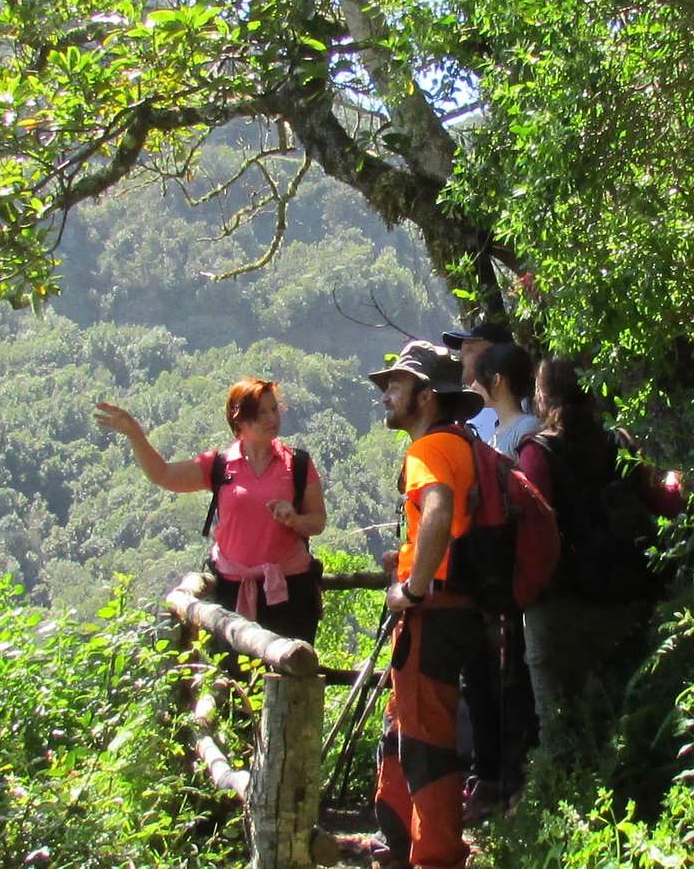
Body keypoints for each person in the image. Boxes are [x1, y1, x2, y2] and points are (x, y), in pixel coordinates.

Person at [346, 341, 485, 869]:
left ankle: (436, 857)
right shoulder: (463, 444)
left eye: (397, 386)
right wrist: (408, 563)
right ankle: (398, 844)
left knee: (425, 739)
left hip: (435, 611)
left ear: (426, 397)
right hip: (457, 608)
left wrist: (413, 587)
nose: (387, 396)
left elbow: (440, 508)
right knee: (403, 728)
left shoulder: (428, 450)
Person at [521, 356, 683, 764]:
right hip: (623, 594)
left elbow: (532, 527)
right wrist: (677, 479)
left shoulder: (538, 453)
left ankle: (561, 797)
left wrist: (523, 591)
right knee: (618, 709)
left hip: (560, 601)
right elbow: (665, 501)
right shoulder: (620, 443)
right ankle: (629, 784)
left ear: (543, 395)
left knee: (557, 719)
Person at [94, 380, 326, 643]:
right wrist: (135, 434)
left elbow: (317, 522)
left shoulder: (298, 464)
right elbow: (163, 474)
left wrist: (294, 520)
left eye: (274, 409)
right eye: (262, 413)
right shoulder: (219, 466)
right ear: (240, 421)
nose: (272, 418)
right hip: (230, 590)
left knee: (289, 673)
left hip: (289, 592)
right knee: (233, 680)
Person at [457, 340, 540, 820]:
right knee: (488, 680)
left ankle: (508, 776)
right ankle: (491, 775)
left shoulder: (524, 433)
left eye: (479, 377)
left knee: (508, 680)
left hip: (504, 574)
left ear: (499, 382)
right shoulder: (499, 429)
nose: (473, 384)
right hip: (490, 575)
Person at [442, 318, 513, 438]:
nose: (460, 357)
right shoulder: (462, 416)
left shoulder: (524, 409)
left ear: (496, 355)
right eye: (460, 351)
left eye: (469, 350)